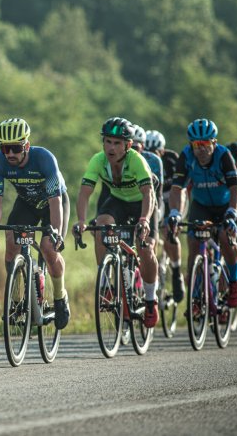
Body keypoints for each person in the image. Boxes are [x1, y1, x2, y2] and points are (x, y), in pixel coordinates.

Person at [0, 118, 71, 329]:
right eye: (5, 148)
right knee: (11, 245)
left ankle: (60, 297)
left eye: (16, 148)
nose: (10, 154)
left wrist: (56, 233)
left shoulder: (44, 159)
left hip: (53, 203)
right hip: (28, 203)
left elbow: (55, 201)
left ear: (27, 146)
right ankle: (14, 301)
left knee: (49, 247)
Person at [75, 117, 159, 327]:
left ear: (128, 146)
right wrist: (82, 221)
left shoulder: (137, 161)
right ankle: (105, 285)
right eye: (107, 141)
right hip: (118, 201)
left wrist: (144, 220)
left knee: (145, 248)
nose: (111, 147)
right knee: (101, 226)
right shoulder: (97, 160)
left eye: (117, 143)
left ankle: (150, 299)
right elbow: (84, 193)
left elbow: (148, 194)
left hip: (142, 204)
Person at [167, 118, 237, 308]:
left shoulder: (224, 155)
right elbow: (177, 189)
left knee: (225, 238)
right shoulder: (186, 156)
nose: (200, 149)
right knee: (193, 242)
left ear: (214, 143)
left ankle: (234, 281)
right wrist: (175, 212)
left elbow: (235, 188)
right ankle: (196, 296)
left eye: (205, 144)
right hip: (202, 205)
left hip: (227, 205)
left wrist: (232, 212)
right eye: (196, 144)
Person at [145, 129, 184, 299]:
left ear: (162, 151)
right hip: (155, 199)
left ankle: (176, 272)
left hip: (174, 198)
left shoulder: (172, 159)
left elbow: (181, 188)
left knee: (169, 233)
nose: (151, 155)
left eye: (155, 153)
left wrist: (177, 215)